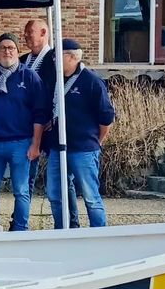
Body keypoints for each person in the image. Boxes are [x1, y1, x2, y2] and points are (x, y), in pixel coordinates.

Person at [0, 32, 48, 233]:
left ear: (16, 51)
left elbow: (40, 113)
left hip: (22, 143)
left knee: (21, 191)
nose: (7, 51)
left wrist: (36, 144)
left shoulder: (29, 76)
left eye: (11, 48)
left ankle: (20, 229)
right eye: (3, 48)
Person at [45, 40, 115, 230]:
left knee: (90, 196)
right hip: (57, 147)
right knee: (55, 193)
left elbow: (106, 117)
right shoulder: (55, 79)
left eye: (58, 55)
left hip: (83, 148)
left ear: (73, 57)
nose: (54, 60)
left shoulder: (92, 81)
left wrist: (95, 141)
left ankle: (99, 233)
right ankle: (65, 229)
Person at [22, 17, 57, 194]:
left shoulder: (55, 60)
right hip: (27, 126)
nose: (26, 37)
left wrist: (52, 116)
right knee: (25, 178)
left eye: (30, 33)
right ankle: (21, 220)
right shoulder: (22, 60)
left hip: (50, 127)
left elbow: (61, 89)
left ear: (43, 33)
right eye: (25, 34)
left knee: (60, 180)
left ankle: (70, 221)